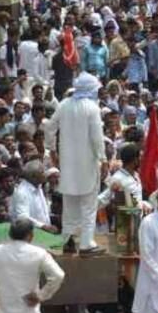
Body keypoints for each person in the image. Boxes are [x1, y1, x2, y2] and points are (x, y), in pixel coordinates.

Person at [44, 72, 107, 255]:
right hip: (88, 163)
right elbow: (97, 138)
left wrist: (51, 149)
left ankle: (67, 240)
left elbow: (49, 127)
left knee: (70, 203)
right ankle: (86, 243)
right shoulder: (92, 108)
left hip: (68, 164)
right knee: (89, 204)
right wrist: (103, 159)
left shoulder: (63, 105)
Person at [0, 218, 65, 313]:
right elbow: (58, 275)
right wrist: (41, 295)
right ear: (31, 235)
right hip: (29, 312)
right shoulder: (39, 253)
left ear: (10, 234)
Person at [9, 160, 55, 232]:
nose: (45, 174)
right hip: (30, 233)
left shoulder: (38, 187)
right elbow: (22, 217)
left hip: (44, 232)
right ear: (34, 176)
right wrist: (42, 226)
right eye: (42, 172)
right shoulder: (22, 192)